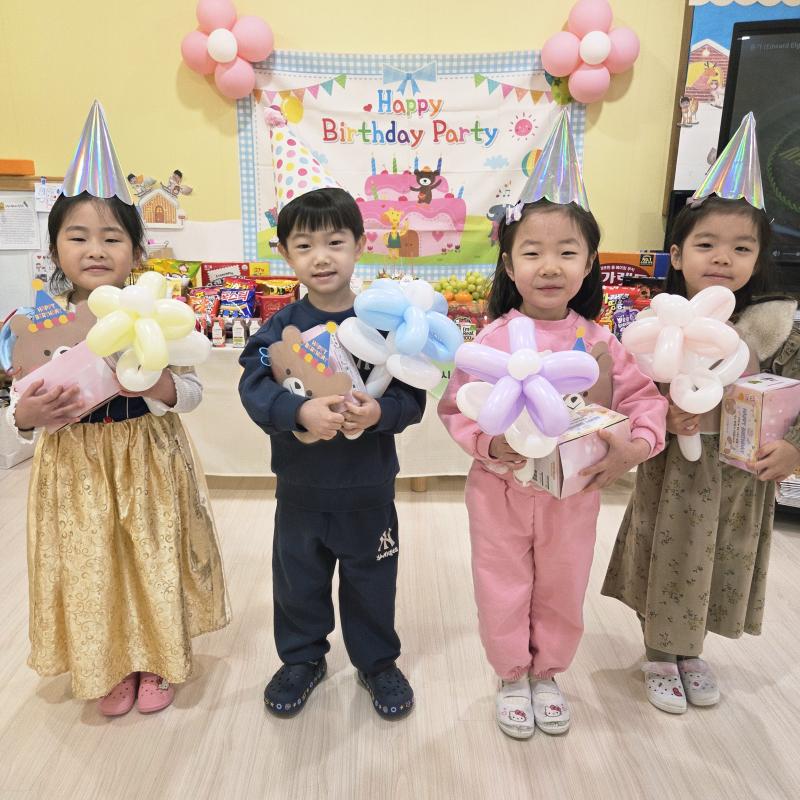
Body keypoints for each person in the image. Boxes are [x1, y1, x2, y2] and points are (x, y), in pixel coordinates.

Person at [438, 110, 667, 739]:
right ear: (509, 265)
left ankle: (548, 674)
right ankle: (512, 674)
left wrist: (635, 447)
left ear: (589, 265)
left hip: (576, 495)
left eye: (567, 252)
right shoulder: (491, 339)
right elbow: (456, 406)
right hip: (500, 491)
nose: (549, 265)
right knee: (502, 584)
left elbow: (645, 402)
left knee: (563, 586)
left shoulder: (600, 342)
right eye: (532, 252)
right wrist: (488, 444)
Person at [5, 102, 229, 716]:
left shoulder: (156, 314)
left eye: (112, 238)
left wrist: (158, 388)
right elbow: (16, 412)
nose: (95, 249)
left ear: (136, 250)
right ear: (55, 247)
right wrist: (25, 417)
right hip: (72, 466)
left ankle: (157, 657)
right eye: (78, 237)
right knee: (91, 562)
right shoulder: (38, 322)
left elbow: (192, 393)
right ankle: (107, 663)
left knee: (151, 555)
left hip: (148, 457)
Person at [602, 113, 800, 714]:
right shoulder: (656, 324)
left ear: (759, 257)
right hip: (676, 472)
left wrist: (794, 448)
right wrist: (661, 415)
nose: (722, 258)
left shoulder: (776, 324)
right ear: (677, 253)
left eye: (741, 247)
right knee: (671, 552)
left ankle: (692, 651)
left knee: (722, 557)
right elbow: (626, 394)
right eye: (706, 244)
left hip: (743, 473)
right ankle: (661, 652)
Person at [238, 184, 425, 720]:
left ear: (360, 245)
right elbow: (253, 386)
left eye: (335, 242)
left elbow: (412, 396)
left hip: (368, 490)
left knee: (373, 583)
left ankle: (377, 663)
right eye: (304, 245)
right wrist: (298, 412)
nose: (321, 257)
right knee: (298, 582)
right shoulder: (278, 329)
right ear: (285, 253)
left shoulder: (383, 325)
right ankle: (302, 659)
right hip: (300, 491)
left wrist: (379, 414)